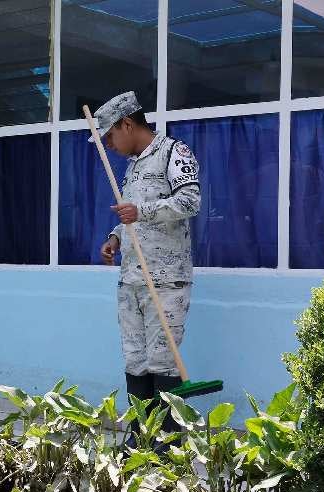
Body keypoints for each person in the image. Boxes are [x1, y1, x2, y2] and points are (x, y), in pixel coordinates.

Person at [93, 92, 202, 426]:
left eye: (110, 135)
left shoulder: (173, 152)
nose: (108, 144)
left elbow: (191, 201)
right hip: (132, 281)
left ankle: (168, 444)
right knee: (135, 360)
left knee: (163, 362)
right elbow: (131, 212)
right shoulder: (132, 167)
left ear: (128, 124)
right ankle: (142, 436)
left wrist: (142, 211)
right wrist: (115, 236)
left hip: (166, 281)